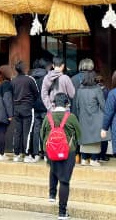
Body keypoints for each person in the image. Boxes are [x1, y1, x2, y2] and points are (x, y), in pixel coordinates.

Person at [41, 92, 81, 220]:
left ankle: (52, 195)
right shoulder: (71, 117)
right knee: (64, 181)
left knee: (54, 170)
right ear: (67, 104)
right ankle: (62, 212)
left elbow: (42, 135)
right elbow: (79, 135)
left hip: (50, 151)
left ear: (53, 103)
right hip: (68, 152)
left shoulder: (48, 117)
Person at [72, 70, 104, 166]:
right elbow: (103, 105)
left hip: (82, 117)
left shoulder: (80, 90)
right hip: (95, 118)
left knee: (84, 138)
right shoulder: (97, 89)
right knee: (94, 139)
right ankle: (94, 159)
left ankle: (84, 159)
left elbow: (77, 105)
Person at [11, 60, 39, 162]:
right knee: (27, 132)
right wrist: (31, 101)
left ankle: (16, 154)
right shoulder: (30, 79)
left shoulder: (13, 80)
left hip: (16, 108)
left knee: (17, 131)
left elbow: (11, 94)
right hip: (27, 108)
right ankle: (27, 155)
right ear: (24, 69)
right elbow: (36, 93)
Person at [30, 59, 51, 160]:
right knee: (46, 130)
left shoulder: (31, 77)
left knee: (36, 130)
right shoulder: (47, 77)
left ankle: (35, 153)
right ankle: (45, 153)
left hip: (34, 107)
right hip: (45, 106)